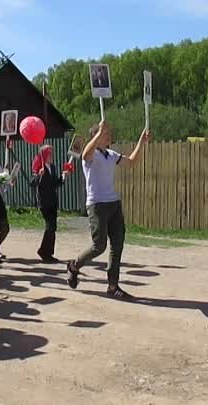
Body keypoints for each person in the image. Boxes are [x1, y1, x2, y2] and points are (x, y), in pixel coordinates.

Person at [67, 121, 149, 300]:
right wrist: (97, 135)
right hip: (97, 205)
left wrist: (141, 142)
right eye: (105, 133)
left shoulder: (111, 155)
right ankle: (74, 266)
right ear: (96, 136)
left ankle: (113, 286)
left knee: (117, 245)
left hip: (113, 203)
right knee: (99, 246)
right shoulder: (90, 156)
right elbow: (86, 153)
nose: (109, 136)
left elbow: (131, 162)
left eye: (108, 133)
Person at [31, 145, 69, 263]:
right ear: (45, 155)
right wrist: (39, 175)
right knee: (49, 226)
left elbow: (54, 184)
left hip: (53, 200)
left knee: (53, 227)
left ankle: (48, 253)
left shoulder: (52, 167)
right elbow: (32, 183)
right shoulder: (39, 167)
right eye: (49, 153)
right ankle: (44, 252)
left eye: (52, 153)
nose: (52, 156)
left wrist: (63, 177)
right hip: (44, 201)